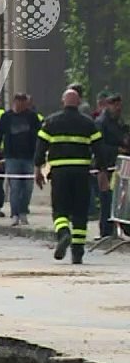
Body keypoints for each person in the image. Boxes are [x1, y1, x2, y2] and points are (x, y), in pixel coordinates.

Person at [35, 88, 106, 264]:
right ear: (79, 102)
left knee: (59, 210)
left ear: (62, 102)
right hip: (81, 173)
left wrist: (37, 168)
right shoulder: (88, 123)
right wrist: (102, 171)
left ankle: (63, 233)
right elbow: (99, 149)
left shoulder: (50, 122)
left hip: (59, 173)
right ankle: (77, 252)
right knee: (80, 213)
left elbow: (40, 148)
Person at [0, 92, 43, 226]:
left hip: (29, 157)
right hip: (12, 157)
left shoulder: (32, 117)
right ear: (15, 102)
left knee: (27, 187)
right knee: (15, 186)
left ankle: (23, 212)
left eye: (24, 103)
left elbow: (40, 136)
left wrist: (40, 155)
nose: (23, 106)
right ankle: (15, 214)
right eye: (20, 102)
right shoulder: (6, 117)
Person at [94, 92, 125, 238]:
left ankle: (120, 229)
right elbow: (98, 145)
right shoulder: (101, 122)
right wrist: (116, 150)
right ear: (108, 105)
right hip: (106, 167)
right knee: (107, 199)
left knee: (121, 200)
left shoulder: (119, 122)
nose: (118, 108)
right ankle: (105, 231)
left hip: (121, 167)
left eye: (119, 105)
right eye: (115, 105)